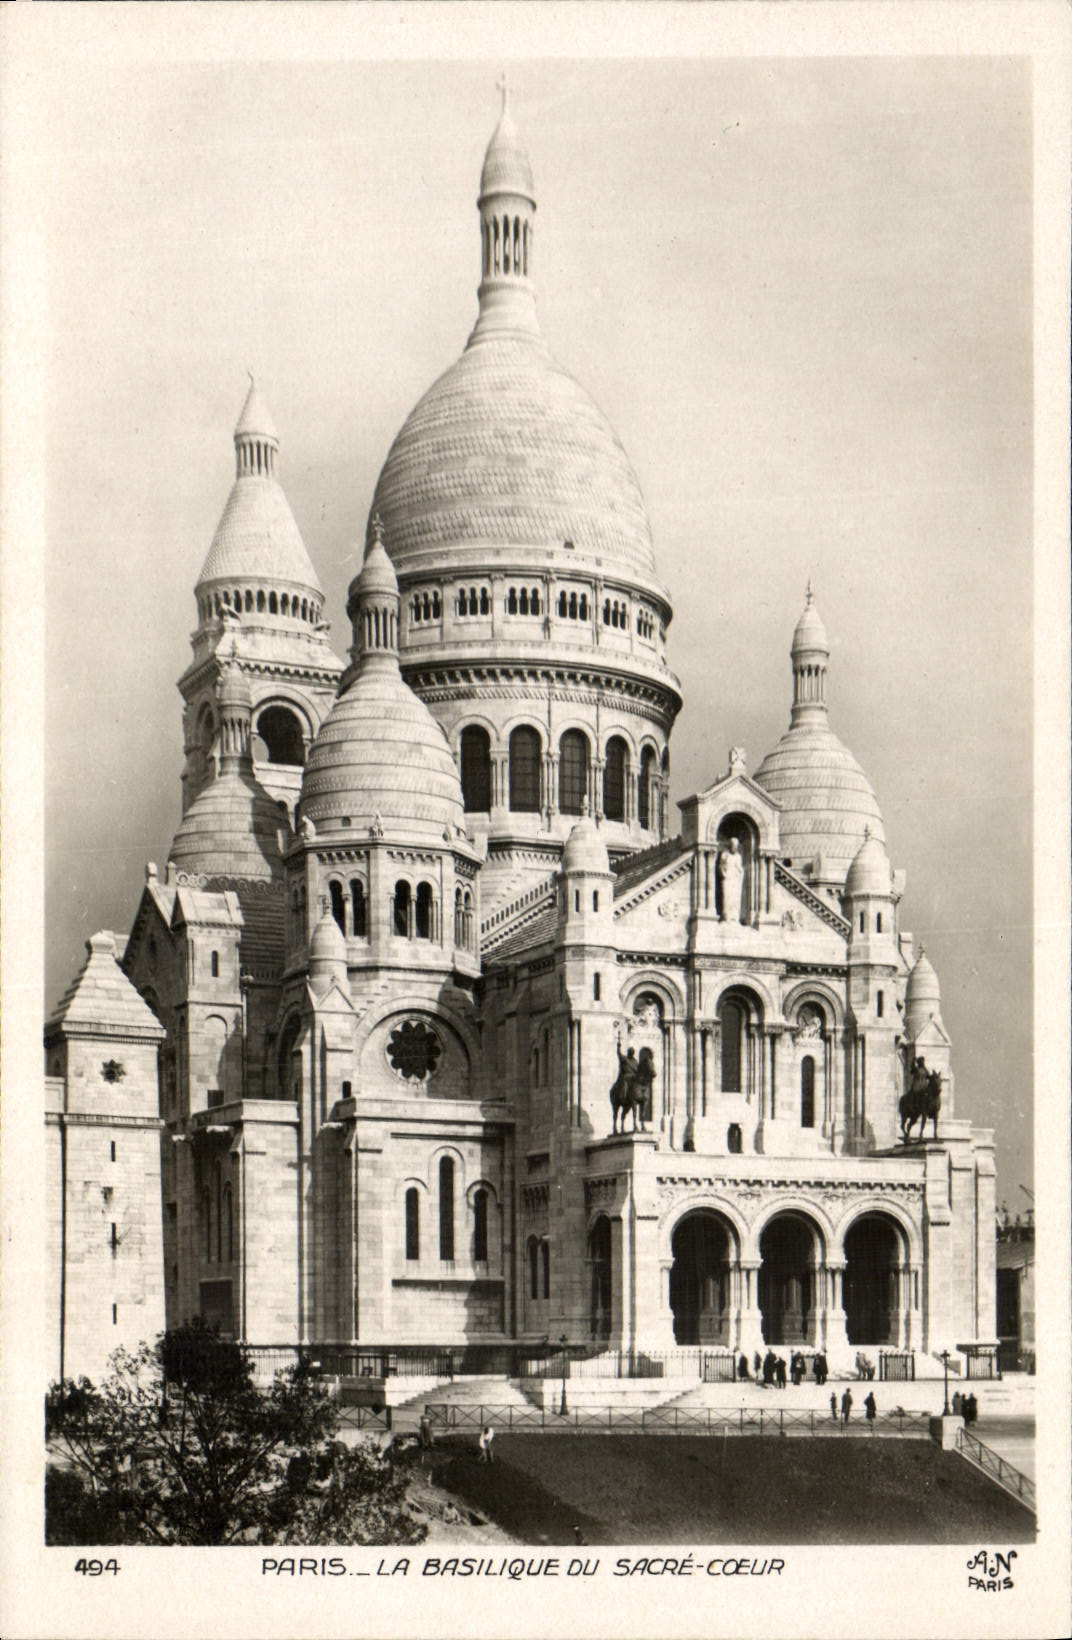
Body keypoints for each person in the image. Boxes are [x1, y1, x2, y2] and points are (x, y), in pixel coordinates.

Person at [718, 837, 745, 923]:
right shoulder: (725, 855)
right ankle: (726, 916)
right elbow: (721, 866)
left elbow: (739, 868)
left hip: (735, 880)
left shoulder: (738, 857)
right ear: (730, 845)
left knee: (735, 898)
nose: (735, 847)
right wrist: (724, 874)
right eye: (733, 845)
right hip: (727, 878)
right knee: (727, 897)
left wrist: (741, 873)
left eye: (736, 846)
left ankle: (734, 917)